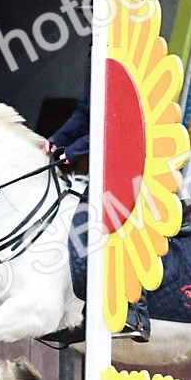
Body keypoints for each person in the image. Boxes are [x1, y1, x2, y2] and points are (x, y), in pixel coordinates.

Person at [39, 99, 151, 342]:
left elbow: (116, 121)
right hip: (106, 159)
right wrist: (57, 140)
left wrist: (75, 150)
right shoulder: (93, 58)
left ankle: (135, 313)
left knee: (105, 221)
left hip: (138, 152)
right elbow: (88, 110)